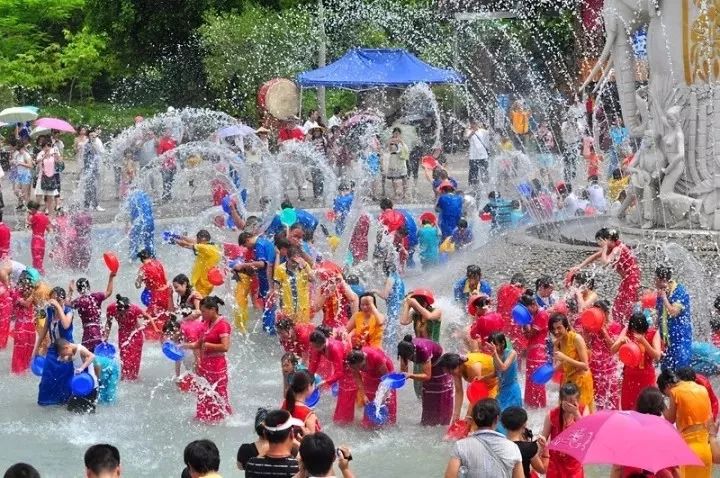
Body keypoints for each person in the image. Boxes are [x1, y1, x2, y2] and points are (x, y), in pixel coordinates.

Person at [570, 227, 640, 324]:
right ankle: (622, 323)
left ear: (607, 240)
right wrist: (579, 266)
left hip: (631, 281)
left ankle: (625, 325)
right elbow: (595, 256)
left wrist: (605, 248)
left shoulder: (617, 249)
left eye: (600, 242)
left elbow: (605, 262)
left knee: (622, 306)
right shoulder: (613, 247)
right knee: (620, 305)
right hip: (627, 280)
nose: (599, 244)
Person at [610, 387, 680, 478]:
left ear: (638, 405)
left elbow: (617, 469)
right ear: (661, 407)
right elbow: (675, 470)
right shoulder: (667, 433)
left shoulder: (627, 431)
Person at [444, 399, 523, 478]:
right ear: (497, 419)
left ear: (474, 419)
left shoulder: (461, 446)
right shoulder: (512, 447)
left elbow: (449, 476)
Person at [183, 296, 232, 423]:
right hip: (205, 365)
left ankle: (222, 419)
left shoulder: (223, 325)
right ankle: (205, 418)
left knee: (218, 393)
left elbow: (225, 347)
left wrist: (210, 346)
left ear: (213, 310)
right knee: (203, 392)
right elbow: (198, 344)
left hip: (217, 366)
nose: (202, 314)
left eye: (204, 311)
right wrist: (182, 346)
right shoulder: (205, 324)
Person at [658, 369, 713, 478]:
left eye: (666, 395)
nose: (668, 397)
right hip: (706, 449)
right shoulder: (702, 389)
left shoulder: (675, 391)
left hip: (689, 450)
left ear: (668, 386)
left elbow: (670, 419)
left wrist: (661, 404)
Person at [612, 309, 662, 410]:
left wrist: (644, 341)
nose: (635, 332)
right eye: (633, 329)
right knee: (628, 407)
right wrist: (621, 342)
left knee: (647, 408)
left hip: (646, 376)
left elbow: (657, 356)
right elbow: (613, 350)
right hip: (629, 377)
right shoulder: (627, 331)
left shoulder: (653, 333)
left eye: (638, 330)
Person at [398, 335, 453, 426]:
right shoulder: (404, 349)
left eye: (408, 357)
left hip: (438, 365)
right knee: (428, 393)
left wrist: (410, 375)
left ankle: (443, 423)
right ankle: (427, 422)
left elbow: (427, 376)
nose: (407, 359)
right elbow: (404, 371)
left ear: (413, 352)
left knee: (440, 396)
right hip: (427, 366)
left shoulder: (423, 350)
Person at [32, 287, 74, 405]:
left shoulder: (69, 311)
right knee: (47, 378)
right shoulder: (50, 311)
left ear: (62, 300)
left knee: (64, 379)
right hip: (52, 350)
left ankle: (64, 402)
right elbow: (44, 330)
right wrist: (36, 349)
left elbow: (65, 325)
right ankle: (45, 402)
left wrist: (59, 307)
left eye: (56, 299)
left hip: (66, 350)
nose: (53, 301)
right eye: (52, 298)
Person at [438, 352, 497, 429]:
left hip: (494, 385)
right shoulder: (456, 369)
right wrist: (456, 416)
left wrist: (468, 416)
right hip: (482, 388)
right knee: (472, 423)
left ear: (459, 364)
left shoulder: (473, 367)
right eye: (448, 373)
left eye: (451, 372)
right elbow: (459, 392)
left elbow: (477, 394)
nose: (451, 374)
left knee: (482, 419)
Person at [550, 312, 595, 412]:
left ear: (566, 327)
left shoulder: (576, 339)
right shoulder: (559, 340)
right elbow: (557, 367)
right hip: (568, 381)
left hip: (581, 381)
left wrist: (565, 358)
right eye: (553, 329)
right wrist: (555, 346)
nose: (556, 331)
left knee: (581, 414)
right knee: (565, 414)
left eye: (559, 328)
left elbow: (585, 366)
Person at [307, 328, 352, 424]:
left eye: (313, 346)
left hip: (350, 369)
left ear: (320, 344)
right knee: (340, 395)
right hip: (341, 368)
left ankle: (345, 422)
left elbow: (340, 372)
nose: (311, 349)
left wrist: (326, 382)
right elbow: (313, 365)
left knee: (346, 396)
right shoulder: (318, 347)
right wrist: (308, 381)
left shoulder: (334, 348)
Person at [346, 346, 397, 427]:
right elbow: (358, 379)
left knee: (387, 402)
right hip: (370, 374)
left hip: (385, 373)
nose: (358, 369)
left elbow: (387, 379)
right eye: (355, 368)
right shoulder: (352, 362)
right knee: (369, 400)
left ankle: (388, 424)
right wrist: (363, 395)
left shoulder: (375, 357)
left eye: (360, 367)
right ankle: (369, 424)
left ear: (364, 359)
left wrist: (386, 396)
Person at [582, 299, 619, 410]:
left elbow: (613, 348)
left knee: (611, 397)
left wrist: (603, 331)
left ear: (606, 313)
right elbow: (586, 345)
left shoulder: (615, 326)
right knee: (595, 397)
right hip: (594, 367)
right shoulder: (592, 327)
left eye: (599, 311)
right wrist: (586, 332)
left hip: (609, 369)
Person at [237, 231, 277, 334]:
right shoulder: (265, 242)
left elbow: (262, 264)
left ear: (247, 240)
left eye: (247, 246)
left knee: (268, 305)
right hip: (271, 279)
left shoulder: (259, 245)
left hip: (268, 281)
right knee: (270, 305)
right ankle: (270, 328)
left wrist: (243, 265)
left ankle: (269, 331)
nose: (249, 249)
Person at [654, 265, 692, 371]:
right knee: (666, 372)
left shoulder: (679, 291)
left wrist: (664, 298)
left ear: (663, 280)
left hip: (680, 337)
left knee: (681, 370)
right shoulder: (661, 291)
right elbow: (659, 314)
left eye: (656, 280)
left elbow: (674, 312)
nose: (655, 283)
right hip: (666, 340)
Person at [105, 294, 150, 381]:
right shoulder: (111, 308)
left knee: (135, 361)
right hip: (122, 335)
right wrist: (105, 337)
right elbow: (108, 323)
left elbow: (148, 317)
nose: (124, 314)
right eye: (121, 313)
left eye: (126, 311)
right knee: (124, 358)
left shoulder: (134, 309)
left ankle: (134, 379)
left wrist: (154, 328)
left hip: (136, 335)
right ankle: (124, 378)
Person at [244, 409, 301, 478]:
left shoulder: (252, 465)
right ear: (291, 434)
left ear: (265, 434)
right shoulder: (297, 467)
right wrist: (301, 446)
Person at [69, 272, 115, 352]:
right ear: (89, 287)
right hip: (98, 332)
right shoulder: (96, 297)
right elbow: (109, 292)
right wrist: (111, 277)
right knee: (100, 356)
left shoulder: (79, 301)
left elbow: (67, 305)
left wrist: (70, 291)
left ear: (78, 290)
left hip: (87, 334)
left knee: (88, 358)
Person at [502, 406, 549, 478]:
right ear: (524, 424)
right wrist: (546, 449)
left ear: (504, 425)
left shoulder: (499, 445)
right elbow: (542, 469)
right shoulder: (528, 448)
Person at [135, 249, 172, 340]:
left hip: (156, 295)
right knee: (165, 315)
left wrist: (139, 280)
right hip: (166, 292)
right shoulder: (159, 263)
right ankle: (168, 336)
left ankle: (153, 339)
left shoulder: (143, 269)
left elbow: (137, 285)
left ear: (141, 259)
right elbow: (165, 279)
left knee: (151, 318)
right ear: (150, 256)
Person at [174, 230, 222, 297]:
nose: (197, 241)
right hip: (207, 283)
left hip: (202, 285)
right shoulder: (212, 247)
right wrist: (181, 237)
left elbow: (186, 245)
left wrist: (174, 240)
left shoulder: (204, 248)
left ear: (203, 239)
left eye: (198, 240)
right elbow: (193, 242)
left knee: (198, 304)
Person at [56, 339, 99, 414]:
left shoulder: (80, 349)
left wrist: (82, 368)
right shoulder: (71, 351)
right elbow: (74, 358)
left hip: (90, 386)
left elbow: (92, 356)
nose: (65, 355)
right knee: (71, 409)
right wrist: (64, 359)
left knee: (89, 413)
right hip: (79, 385)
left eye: (64, 354)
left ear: (66, 347)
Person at [521, 292, 549, 408]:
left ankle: (539, 407)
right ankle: (530, 406)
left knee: (537, 382)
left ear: (533, 304)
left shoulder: (542, 315)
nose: (527, 313)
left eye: (527, 311)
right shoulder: (536, 314)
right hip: (533, 353)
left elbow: (530, 334)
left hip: (538, 355)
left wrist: (524, 322)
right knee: (530, 381)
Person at [273, 247, 314, 323]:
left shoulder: (304, 267)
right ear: (287, 258)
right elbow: (276, 289)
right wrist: (277, 307)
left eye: (297, 261)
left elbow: (315, 280)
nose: (295, 263)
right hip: (287, 309)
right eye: (292, 261)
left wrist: (305, 265)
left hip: (303, 308)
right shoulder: (280, 269)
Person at [486, 332, 523, 411]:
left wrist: (494, 353)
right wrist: (482, 378)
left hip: (512, 391)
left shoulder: (512, 353)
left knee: (512, 419)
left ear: (503, 343)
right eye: (491, 345)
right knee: (498, 417)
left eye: (495, 345)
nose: (493, 347)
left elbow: (503, 367)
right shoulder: (495, 355)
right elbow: (496, 373)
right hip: (502, 391)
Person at [10, 277, 37, 375]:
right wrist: (33, 294)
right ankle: (17, 373)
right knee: (19, 351)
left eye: (29, 287)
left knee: (29, 350)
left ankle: (25, 371)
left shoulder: (32, 296)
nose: (27, 289)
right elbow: (26, 304)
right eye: (25, 287)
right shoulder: (16, 294)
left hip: (31, 327)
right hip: (21, 327)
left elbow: (39, 308)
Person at [281, 369, 320, 434]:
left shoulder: (285, 403)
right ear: (308, 387)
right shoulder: (309, 415)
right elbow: (312, 442)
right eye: (313, 385)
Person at [34, 139, 60, 214]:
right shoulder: (40, 154)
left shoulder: (54, 153)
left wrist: (55, 154)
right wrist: (44, 157)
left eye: (48, 145)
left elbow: (59, 163)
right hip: (42, 178)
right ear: (42, 147)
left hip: (51, 178)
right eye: (45, 146)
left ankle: (50, 216)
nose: (47, 147)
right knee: (38, 196)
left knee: (50, 198)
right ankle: (37, 213)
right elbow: (38, 164)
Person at [26, 201, 51, 274]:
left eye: (29, 209)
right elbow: (49, 229)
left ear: (32, 209)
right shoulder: (44, 216)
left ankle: (37, 277)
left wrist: (28, 216)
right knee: (40, 260)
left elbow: (28, 226)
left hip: (36, 241)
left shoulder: (35, 216)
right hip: (42, 240)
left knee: (36, 261)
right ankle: (42, 275)